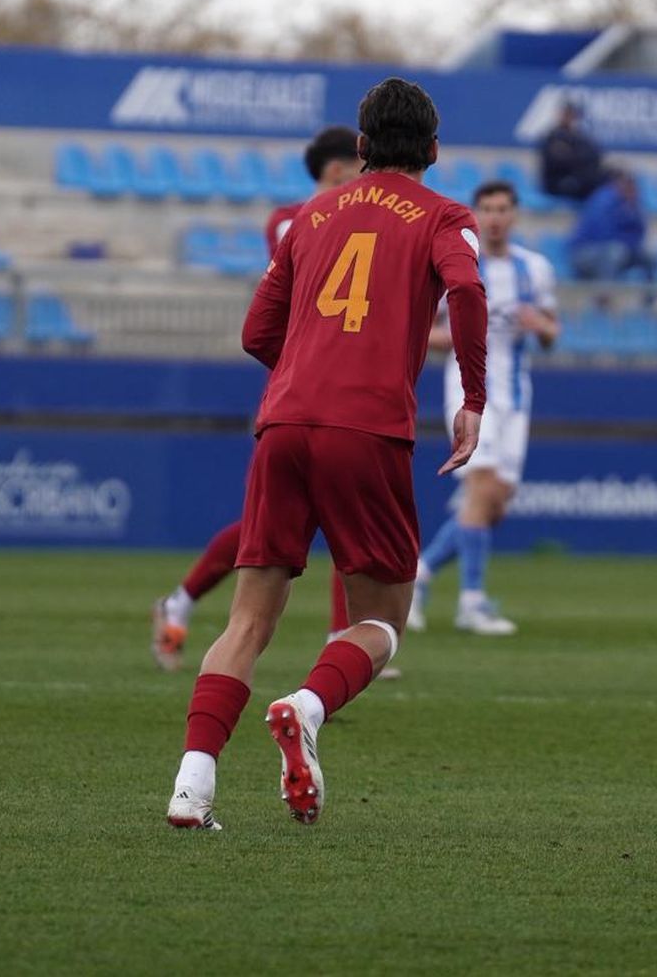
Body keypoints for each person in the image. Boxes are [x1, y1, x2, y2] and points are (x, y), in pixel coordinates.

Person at [165, 77, 488, 830]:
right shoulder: (444, 215)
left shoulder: (311, 215)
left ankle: (191, 786)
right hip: (366, 429)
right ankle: (306, 708)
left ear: (364, 147)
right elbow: (468, 292)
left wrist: (310, 366)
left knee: (246, 621)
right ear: (434, 152)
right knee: (379, 624)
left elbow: (255, 334)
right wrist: (472, 398)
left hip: (282, 423)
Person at [150, 126, 366, 672]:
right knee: (266, 528)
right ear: (338, 169)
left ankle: (339, 640)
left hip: (339, 386)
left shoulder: (359, 217)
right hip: (300, 385)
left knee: (340, 515)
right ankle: (181, 600)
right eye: (359, 166)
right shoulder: (294, 220)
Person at [410, 180, 560, 636]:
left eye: (503, 209)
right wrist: (459, 336)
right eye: (487, 209)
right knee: (485, 485)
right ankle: (471, 602)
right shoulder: (456, 263)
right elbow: (425, 335)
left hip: (517, 395)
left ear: (514, 216)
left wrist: (541, 327)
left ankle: (418, 575)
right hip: (469, 388)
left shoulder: (534, 269)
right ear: (475, 214)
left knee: (494, 503)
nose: (495, 217)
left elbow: (552, 335)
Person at [568, 168, 655, 286]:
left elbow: (641, 232)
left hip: (621, 249)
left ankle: (649, 300)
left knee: (650, 257)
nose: (631, 188)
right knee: (615, 252)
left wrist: (632, 209)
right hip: (585, 252)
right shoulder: (602, 200)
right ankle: (604, 297)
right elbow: (604, 235)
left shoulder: (632, 203)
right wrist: (628, 241)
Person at [538, 100, 605, 203]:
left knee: (604, 179)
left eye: (571, 114)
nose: (569, 118)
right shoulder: (552, 137)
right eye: (566, 114)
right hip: (557, 182)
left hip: (577, 178)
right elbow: (560, 160)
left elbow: (594, 154)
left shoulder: (578, 136)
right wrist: (577, 157)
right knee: (589, 185)